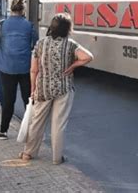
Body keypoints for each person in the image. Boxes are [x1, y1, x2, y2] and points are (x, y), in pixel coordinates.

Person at [19, 13, 93, 164]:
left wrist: (33, 89)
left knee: (37, 122)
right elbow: (88, 56)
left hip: (43, 88)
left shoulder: (40, 44)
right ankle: (56, 158)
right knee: (59, 124)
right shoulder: (70, 44)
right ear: (68, 28)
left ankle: (28, 153)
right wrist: (72, 66)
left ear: (51, 27)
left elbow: (33, 70)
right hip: (64, 88)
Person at [0, 0, 38, 140]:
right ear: (23, 9)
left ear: (10, 8)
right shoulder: (29, 25)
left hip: (6, 67)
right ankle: (31, 131)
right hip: (25, 67)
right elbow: (35, 45)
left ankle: (3, 131)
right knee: (28, 99)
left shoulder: (1, 25)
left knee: (8, 100)